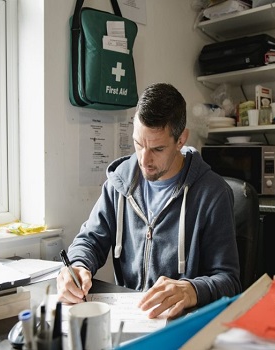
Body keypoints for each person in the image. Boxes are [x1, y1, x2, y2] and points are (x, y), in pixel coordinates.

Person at [57, 82, 242, 319]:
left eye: (157, 149)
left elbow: (229, 280)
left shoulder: (213, 194)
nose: (144, 160)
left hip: (180, 324)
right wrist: (77, 266)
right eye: (138, 144)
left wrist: (192, 289)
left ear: (181, 139)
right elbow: (90, 239)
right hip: (128, 318)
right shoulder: (120, 182)